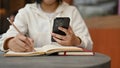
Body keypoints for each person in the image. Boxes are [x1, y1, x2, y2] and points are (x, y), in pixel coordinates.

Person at [0, 0, 93, 52]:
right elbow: (3, 40)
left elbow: (89, 44)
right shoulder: (26, 12)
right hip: (33, 65)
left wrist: (76, 40)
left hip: (66, 64)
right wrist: (10, 42)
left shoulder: (72, 11)